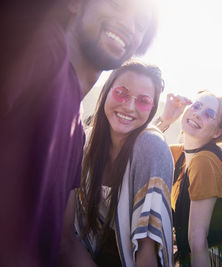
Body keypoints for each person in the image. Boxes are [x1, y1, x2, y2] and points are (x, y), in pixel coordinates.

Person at [0, 0, 159, 266]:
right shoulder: (44, 46)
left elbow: (63, 241)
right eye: (117, 4)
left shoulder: (77, 136)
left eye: (140, 24)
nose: (129, 25)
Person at [60, 61, 173, 266]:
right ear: (107, 91)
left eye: (143, 101)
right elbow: (66, 234)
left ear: (152, 109)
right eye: (121, 92)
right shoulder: (84, 142)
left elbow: (146, 252)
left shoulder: (151, 147)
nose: (129, 106)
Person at [158, 91, 222, 267]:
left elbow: (197, 240)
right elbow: (139, 148)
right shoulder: (180, 155)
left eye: (209, 114)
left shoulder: (205, 161)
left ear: (217, 132)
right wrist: (166, 119)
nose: (197, 114)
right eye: (196, 106)